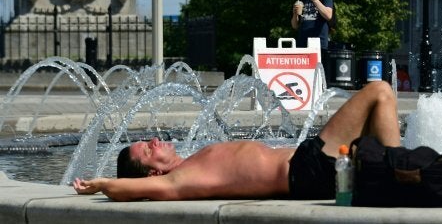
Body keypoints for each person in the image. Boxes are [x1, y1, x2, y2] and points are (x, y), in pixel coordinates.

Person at [73, 81, 400, 201]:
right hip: (307, 170)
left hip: (308, 164)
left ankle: (394, 173)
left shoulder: (190, 166)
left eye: (148, 141)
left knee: (375, 116)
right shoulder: (179, 181)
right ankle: (401, 176)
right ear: (153, 174)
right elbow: (131, 190)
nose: (155, 141)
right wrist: (103, 183)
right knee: (379, 92)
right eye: (147, 150)